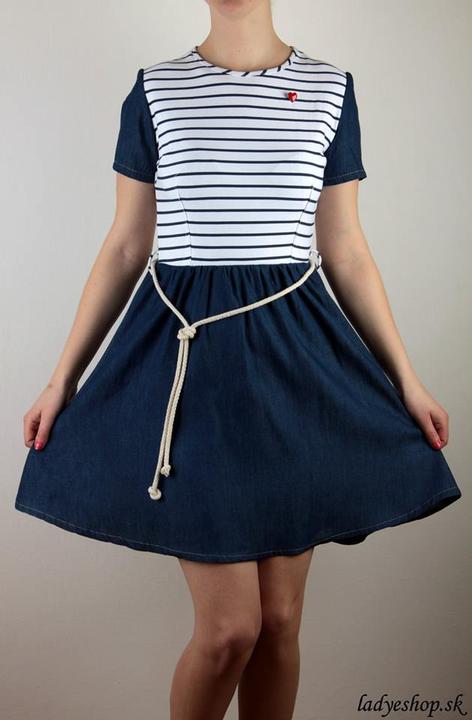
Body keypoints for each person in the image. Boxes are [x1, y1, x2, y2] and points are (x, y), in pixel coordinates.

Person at [15, 1, 462, 718]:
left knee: (280, 622)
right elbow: (127, 244)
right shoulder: (155, 89)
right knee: (230, 630)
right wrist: (60, 380)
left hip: (296, 361)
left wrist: (405, 381)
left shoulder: (331, 88)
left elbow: (345, 248)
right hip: (191, 364)